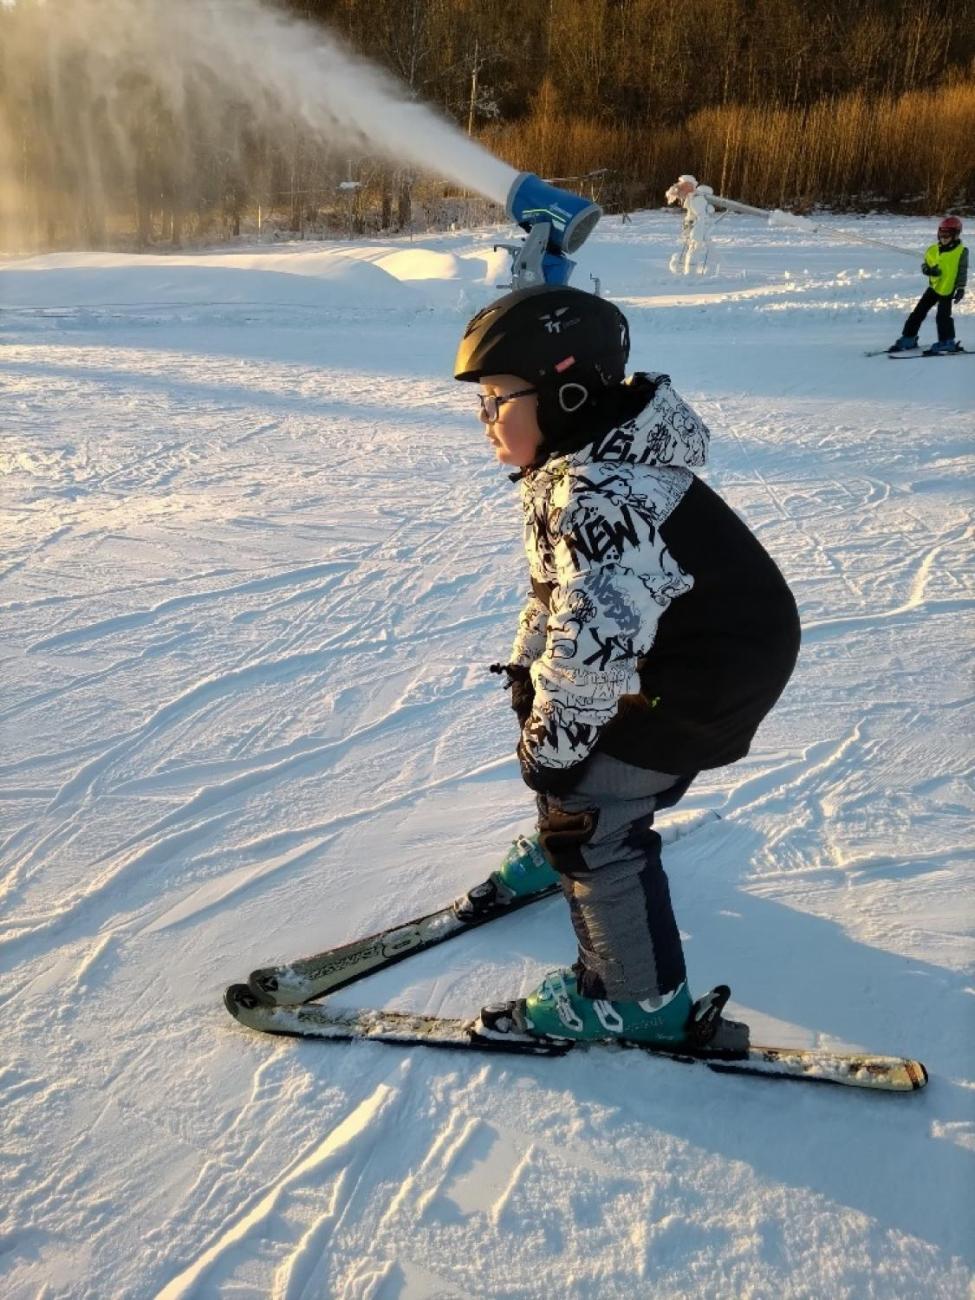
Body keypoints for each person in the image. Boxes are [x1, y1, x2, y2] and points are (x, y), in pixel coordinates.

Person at [453, 285, 800, 1046]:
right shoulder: (576, 466)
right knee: (557, 739)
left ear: (566, 393)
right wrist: (529, 678)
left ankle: (636, 1000)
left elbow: (595, 646)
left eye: (497, 399)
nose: (484, 420)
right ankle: (566, 837)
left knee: (589, 815)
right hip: (685, 656)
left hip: (702, 679)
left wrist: (554, 752)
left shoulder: (602, 493)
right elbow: (562, 599)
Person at [889, 216, 967, 356]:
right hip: (934, 286)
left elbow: (962, 271)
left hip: (947, 289)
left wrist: (961, 288)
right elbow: (926, 264)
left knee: (943, 317)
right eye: (941, 234)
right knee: (918, 312)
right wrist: (927, 270)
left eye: (947, 235)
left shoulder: (961, 252)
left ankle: (947, 342)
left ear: (955, 235)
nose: (943, 238)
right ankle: (909, 338)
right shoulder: (932, 250)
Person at [665, 174, 715, 275]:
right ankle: (681, 268)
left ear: (689, 186)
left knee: (694, 251)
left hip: (696, 230)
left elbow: (701, 217)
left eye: (683, 187)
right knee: (690, 249)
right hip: (690, 228)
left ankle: (691, 274)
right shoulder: (691, 198)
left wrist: (697, 232)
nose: (680, 189)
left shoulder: (697, 199)